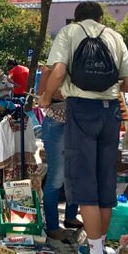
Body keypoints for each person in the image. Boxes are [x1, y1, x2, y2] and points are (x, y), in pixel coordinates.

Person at [37, 1, 128, 254]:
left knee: (83, 183)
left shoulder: (69, 33)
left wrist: (46, 97)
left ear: (76, 18)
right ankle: (99, 247)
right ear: (101, 18)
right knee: (105, 182)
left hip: (81, 110)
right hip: (111, 113)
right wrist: (106, 86)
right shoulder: (114, 36)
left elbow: (58, 71)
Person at [37, 66, 81, 240]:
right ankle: (53, 226)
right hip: (57, 122)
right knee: (56, 178)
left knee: (75, 175)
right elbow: (41, 97)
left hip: (77, 124)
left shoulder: (81, 62)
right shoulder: (55, 65)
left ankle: (70, 216)